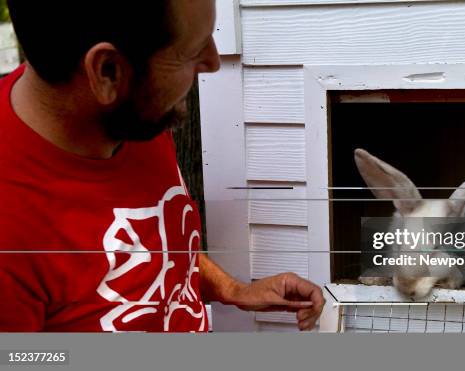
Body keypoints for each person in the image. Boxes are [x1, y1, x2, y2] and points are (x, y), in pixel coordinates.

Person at [0, 0, 324, 332]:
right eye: (191, 50)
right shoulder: (11, 236)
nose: (212, 62)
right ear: (107, 70)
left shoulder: (131, 114)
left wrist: (233, 289)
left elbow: (151, 244)